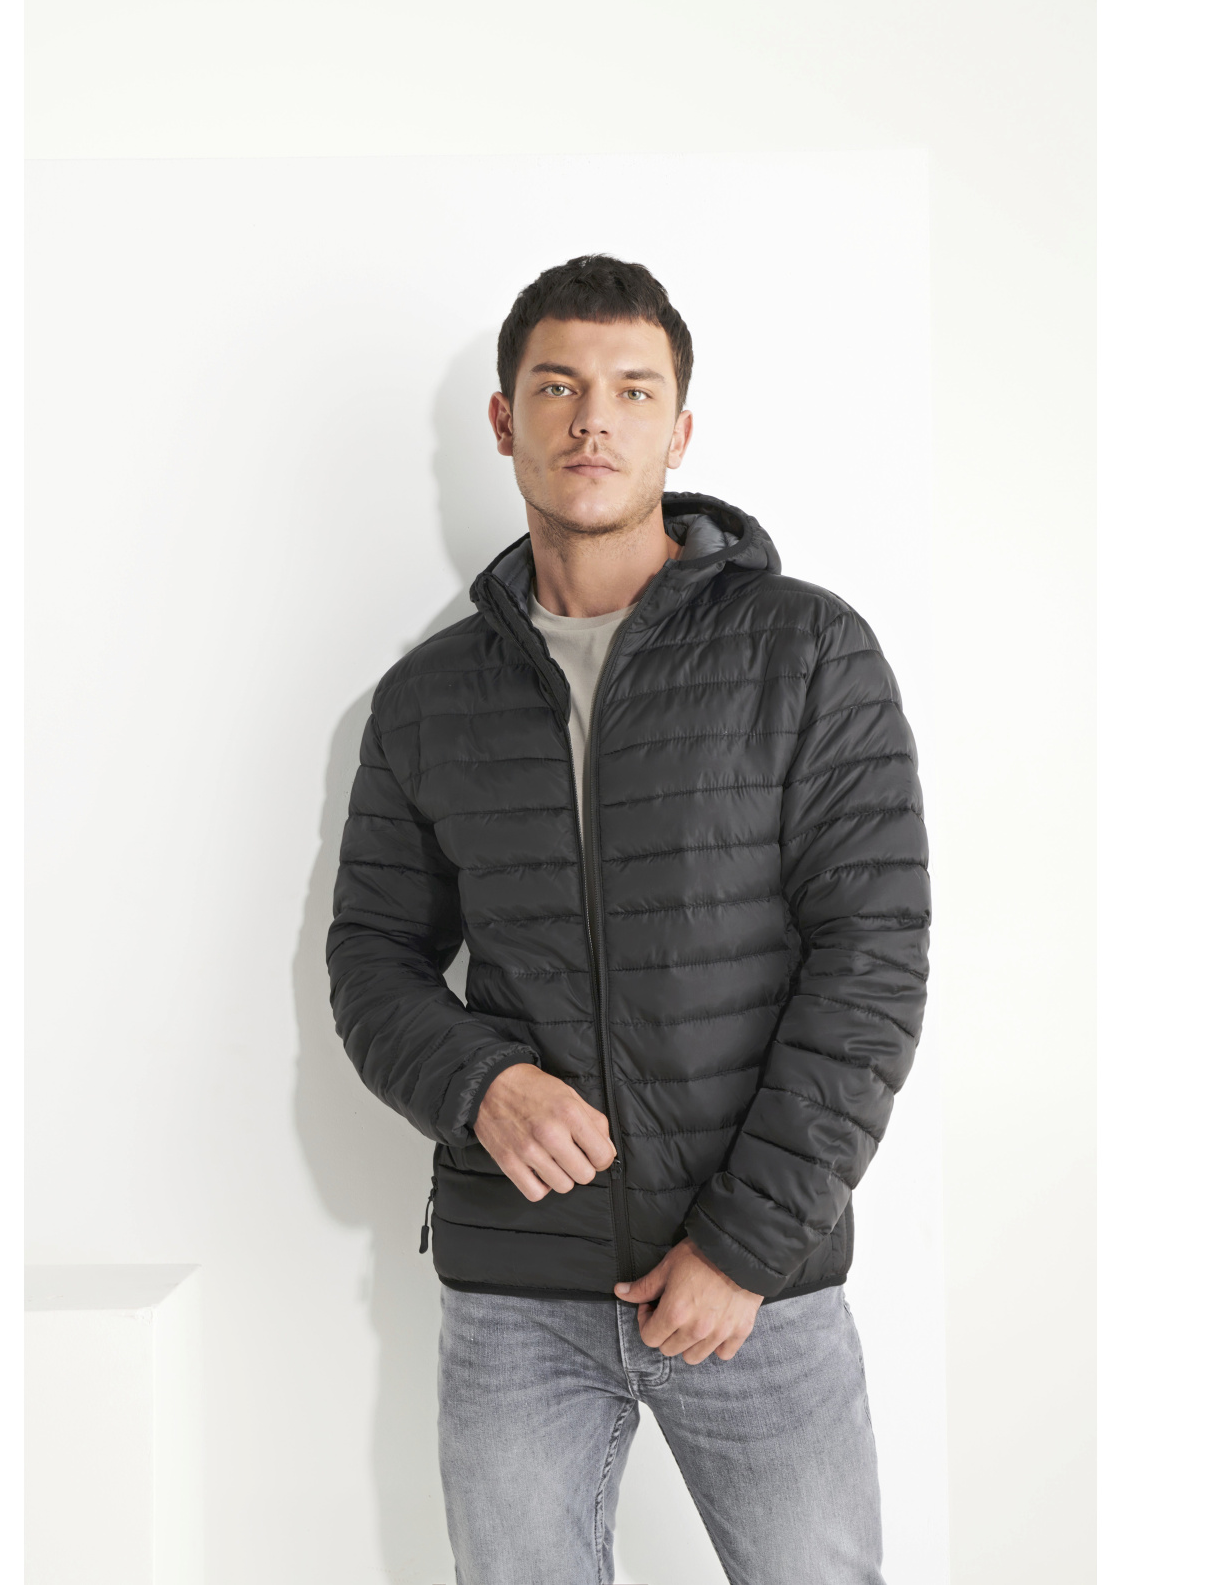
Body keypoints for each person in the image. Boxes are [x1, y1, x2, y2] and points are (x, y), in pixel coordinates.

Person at [327, 255, 930, 1585]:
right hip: (515, 1293)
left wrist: (744, 1246)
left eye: (632, 390)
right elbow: (371, 960)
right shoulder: (427, 701)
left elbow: (872, 964)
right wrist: (479, 1083)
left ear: (679, 428)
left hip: (754, 1285)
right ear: (505, 421)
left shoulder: (807, 653)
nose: (593, 419)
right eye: (558, 387)